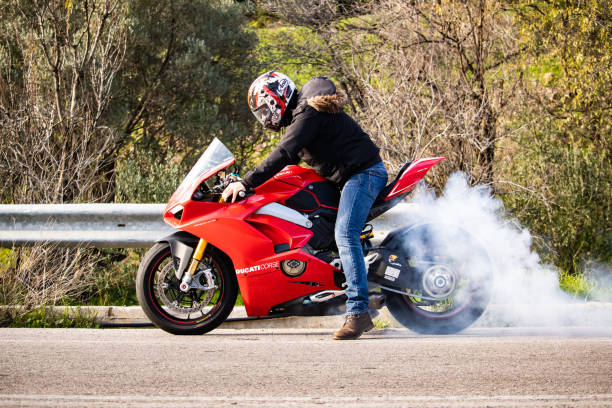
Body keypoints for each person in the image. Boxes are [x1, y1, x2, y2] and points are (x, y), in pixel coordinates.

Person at [222, 71, 388, 340]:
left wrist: (247, 183)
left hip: (364, 174)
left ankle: (358, 313)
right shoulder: (305, 113)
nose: (264, 118)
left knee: (345, 234)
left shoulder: (307, 114)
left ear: (278, 97)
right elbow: (288, 160)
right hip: (346, 178)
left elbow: (286, 152)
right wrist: (247, 180)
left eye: (266, 109)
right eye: (260, 113)